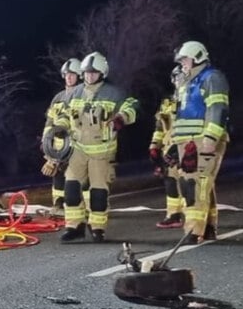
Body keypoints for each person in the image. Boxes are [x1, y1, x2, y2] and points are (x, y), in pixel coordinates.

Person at [53, 51, 137, 243]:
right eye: (87, 72)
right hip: (78, 150)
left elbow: (133, 105)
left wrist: (121, 118)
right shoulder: (75, 92)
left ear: (102, 73)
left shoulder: (113, 93)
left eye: (94, 72)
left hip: (101, 152)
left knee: (98, 192)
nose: (90, 75)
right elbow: (65, 114)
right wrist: (60, 128)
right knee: (71, 189)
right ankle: (74, 226)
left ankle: (98, 227)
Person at [171, 40, 229, 243]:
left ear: (196, 58)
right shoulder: (187, 82)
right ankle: (209, 226)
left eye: (185, 59)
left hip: (203, 140)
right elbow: (179, 115)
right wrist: (173, 142)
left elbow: (218, 109)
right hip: (186, 141)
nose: (183, 64)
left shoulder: (211, 77)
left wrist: (211, 137)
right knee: (202, 183)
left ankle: (194, 231)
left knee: (194, 184)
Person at [40, 58, 82, 216]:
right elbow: (50, 122)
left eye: (72, 75)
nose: (69, 77)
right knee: (57, 173)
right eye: (66, 74)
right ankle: (58, 204)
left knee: (75, 174)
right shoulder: (57, 98)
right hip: (58, 144)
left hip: (77, 143)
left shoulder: (83, 96)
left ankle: (78, 204)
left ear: (79, 76)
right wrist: (45, 142)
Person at [151, 65, 186, 228]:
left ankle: (195, 217)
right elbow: (160, 127)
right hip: (169, 149)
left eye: (183, 77)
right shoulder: (167, 102)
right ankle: (174, 214)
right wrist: (154, 146)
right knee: (170, 181)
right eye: (177, 77)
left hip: (188, 147)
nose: (180, 80)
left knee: (189, 183)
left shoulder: (193, 99)